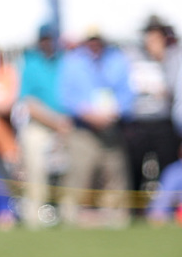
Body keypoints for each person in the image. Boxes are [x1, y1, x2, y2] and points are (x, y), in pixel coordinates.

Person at [57, 26, 134, 226]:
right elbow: (65, 97)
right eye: (90, 40)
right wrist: (88, 113)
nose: (94, 44)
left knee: (114, 174)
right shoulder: (73, 62)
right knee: (81, 174)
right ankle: (74, 217)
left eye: (97, 39)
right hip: (84, 129)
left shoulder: (116, 60)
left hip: (110, 127)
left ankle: (116, 217)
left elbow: (127, 94)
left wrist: (115, 112)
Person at [14, 24, 71, 228]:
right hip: (39, 125)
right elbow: (28, 103)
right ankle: (35, 218)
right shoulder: (30, 65)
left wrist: (63, 125)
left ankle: (69, 214)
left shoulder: (64, 62)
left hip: (66, 125)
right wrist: (56, 123)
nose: (48, 43)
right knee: (35, 166)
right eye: (44, 39)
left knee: (72, 167)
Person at [124, 16, 180, 215]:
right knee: (134, 166)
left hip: (163, 122)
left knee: (167, 166)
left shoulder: (173, 57)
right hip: (139, 121)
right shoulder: (133, 56)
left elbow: (173, 89)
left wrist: (161, 59)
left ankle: (166, 210)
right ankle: (136, 211)